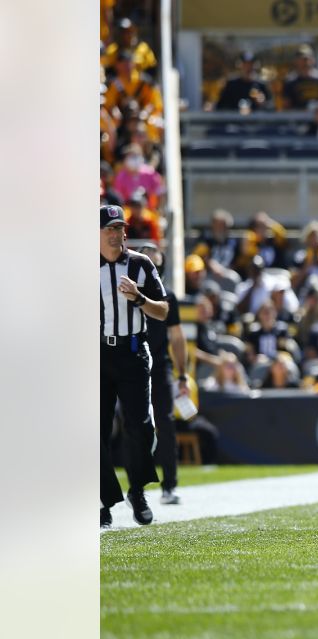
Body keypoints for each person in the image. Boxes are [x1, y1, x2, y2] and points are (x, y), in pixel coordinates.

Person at [100, 205, 169, 529]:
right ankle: (101, 500)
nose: (116, 234)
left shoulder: (141, 264)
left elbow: (164, 310)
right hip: (96, 353)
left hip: (132, 351)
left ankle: (137, 490)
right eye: (109, 229)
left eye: (119, 228)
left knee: (140, 424)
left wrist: (139, 299)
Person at [132, 242, 189, 505]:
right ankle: (136, 487)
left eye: (153, 257)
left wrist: (182, 375)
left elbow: (177, 338)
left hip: (160, 364)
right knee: (131, 426)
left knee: (165, 423)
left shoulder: (168, 298)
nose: (149, 261)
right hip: (131, 363)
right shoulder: (122, 292)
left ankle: (169, 485)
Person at [281, 45, 318, 110]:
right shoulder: (290, 81)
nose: (306, 62)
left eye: (308, 59)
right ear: (296, 61)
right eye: (302, 59)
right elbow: (286, 104)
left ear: (313, 60)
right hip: (298, 118)